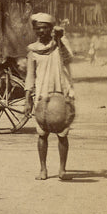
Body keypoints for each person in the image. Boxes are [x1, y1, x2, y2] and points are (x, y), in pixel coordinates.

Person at [25, 13, 75, 181]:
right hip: (42, 95)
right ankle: (43, 169)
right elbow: (30, 76)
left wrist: (60, 40)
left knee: (62, 134)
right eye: (38, 28)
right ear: (34, 30)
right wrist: (27, 100)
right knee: (42, 134)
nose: (41, 31)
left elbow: (68, 58)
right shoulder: (32, 50)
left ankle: (62, 169)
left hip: (61, 92)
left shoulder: (60, 44)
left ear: (51, 29)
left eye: (45, 28)